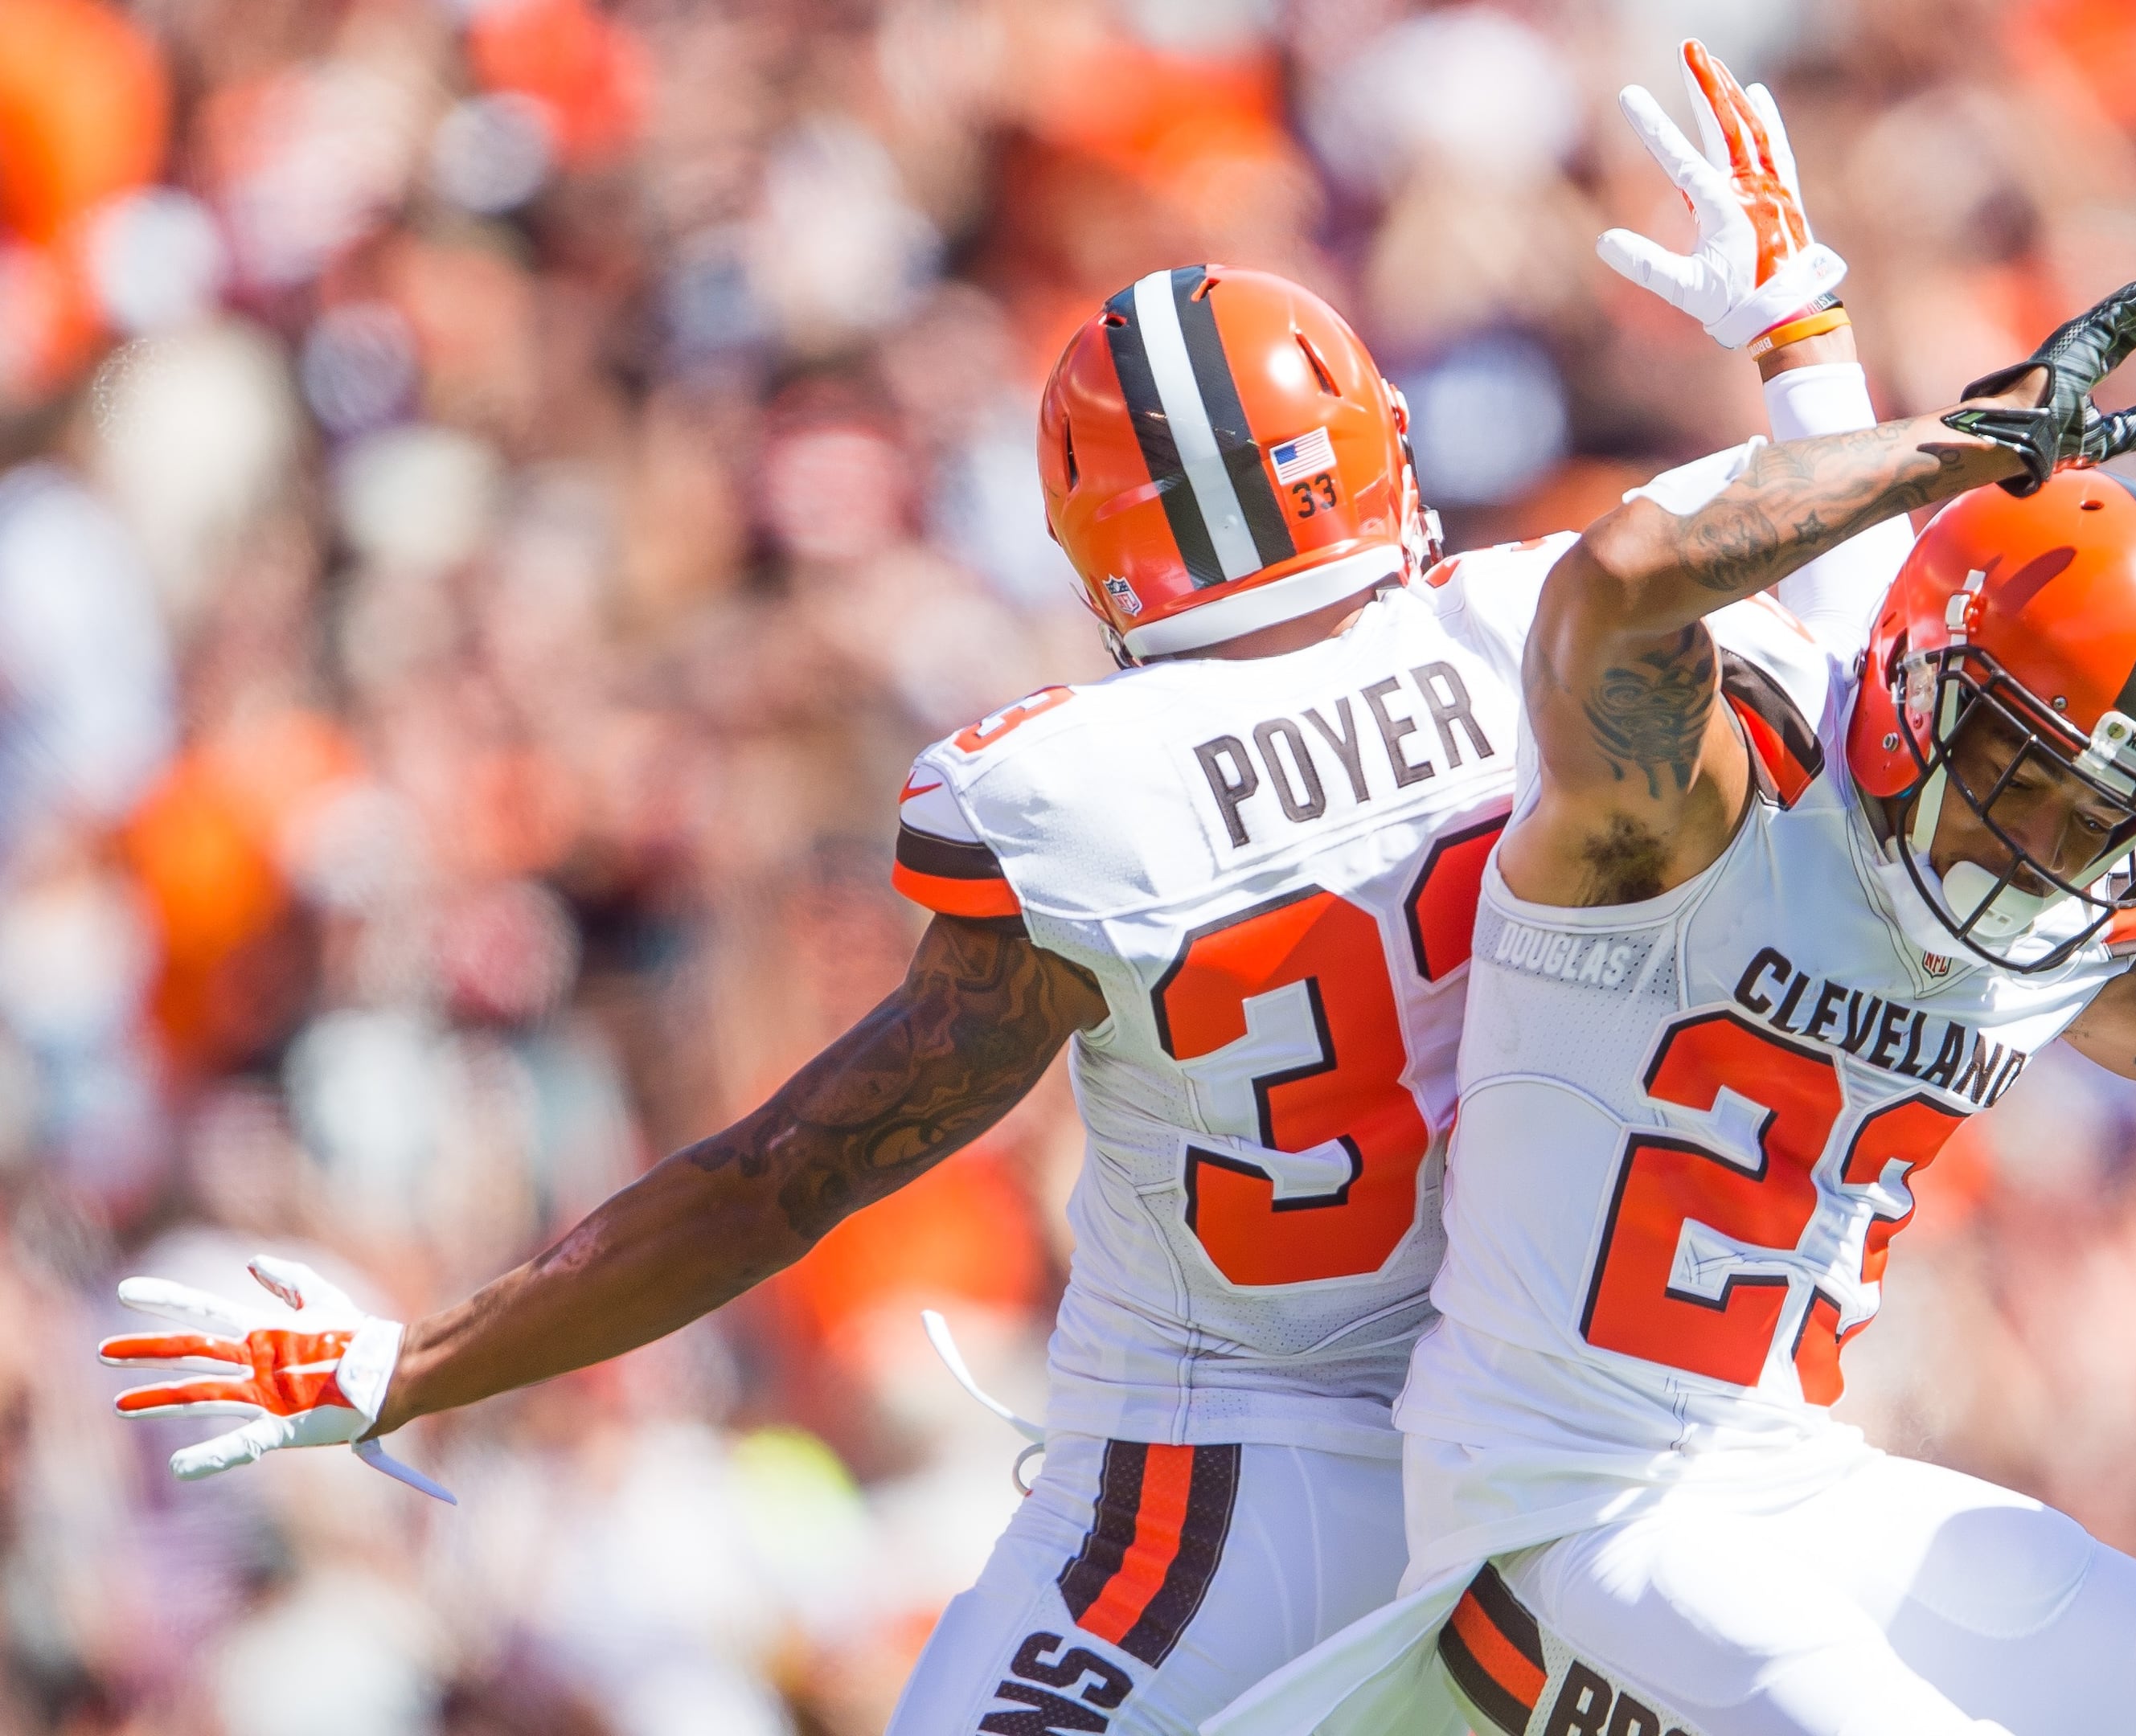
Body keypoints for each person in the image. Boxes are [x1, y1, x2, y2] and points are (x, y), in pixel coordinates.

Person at [88, 43, 1964, 1736]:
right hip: (1568, 1464)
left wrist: (414, 1365)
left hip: (1221, 1490)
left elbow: (791, 1173)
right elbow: (1859, 634)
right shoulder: (1538, 642)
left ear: (1101, 546)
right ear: (1375, 456)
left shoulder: (1085, 798)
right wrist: (1803, 333)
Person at [1203, 63, 2136, 1736]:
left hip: (1780, 1475)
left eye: (2105, 814)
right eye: (2034, 776)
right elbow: (1619, 591)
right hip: (1560, 1502)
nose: (2055, 845)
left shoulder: (2027, 885)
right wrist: (1954, 438)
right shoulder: (1700, 811)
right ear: (1922, 686)